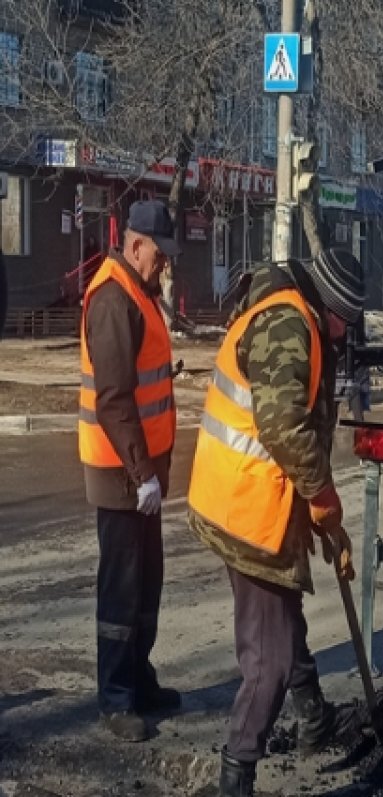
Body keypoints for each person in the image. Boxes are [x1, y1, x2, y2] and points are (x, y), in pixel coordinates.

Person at [188, 248, 366, 796]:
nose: (343, 335)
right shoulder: (291, 324)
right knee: (270, 659)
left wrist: (321, 518)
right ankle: (236, 773)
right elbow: (284, 425)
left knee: (282, 619)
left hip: (243, 497)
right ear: (331, 308)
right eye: (345, 323)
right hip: (247, 511)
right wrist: (323, 495)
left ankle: (313, 718)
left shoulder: (290, 314)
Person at [79, 200, 181, 742]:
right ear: (135, 244)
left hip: (141, 473)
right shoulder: (113, 298)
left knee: (147, 584)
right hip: (121, 472)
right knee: (121, 590)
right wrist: (143, 473)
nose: (163, 266)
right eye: (160, 257)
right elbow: (115, 400)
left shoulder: (137, 291)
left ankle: (139, 681)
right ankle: (116, 698)